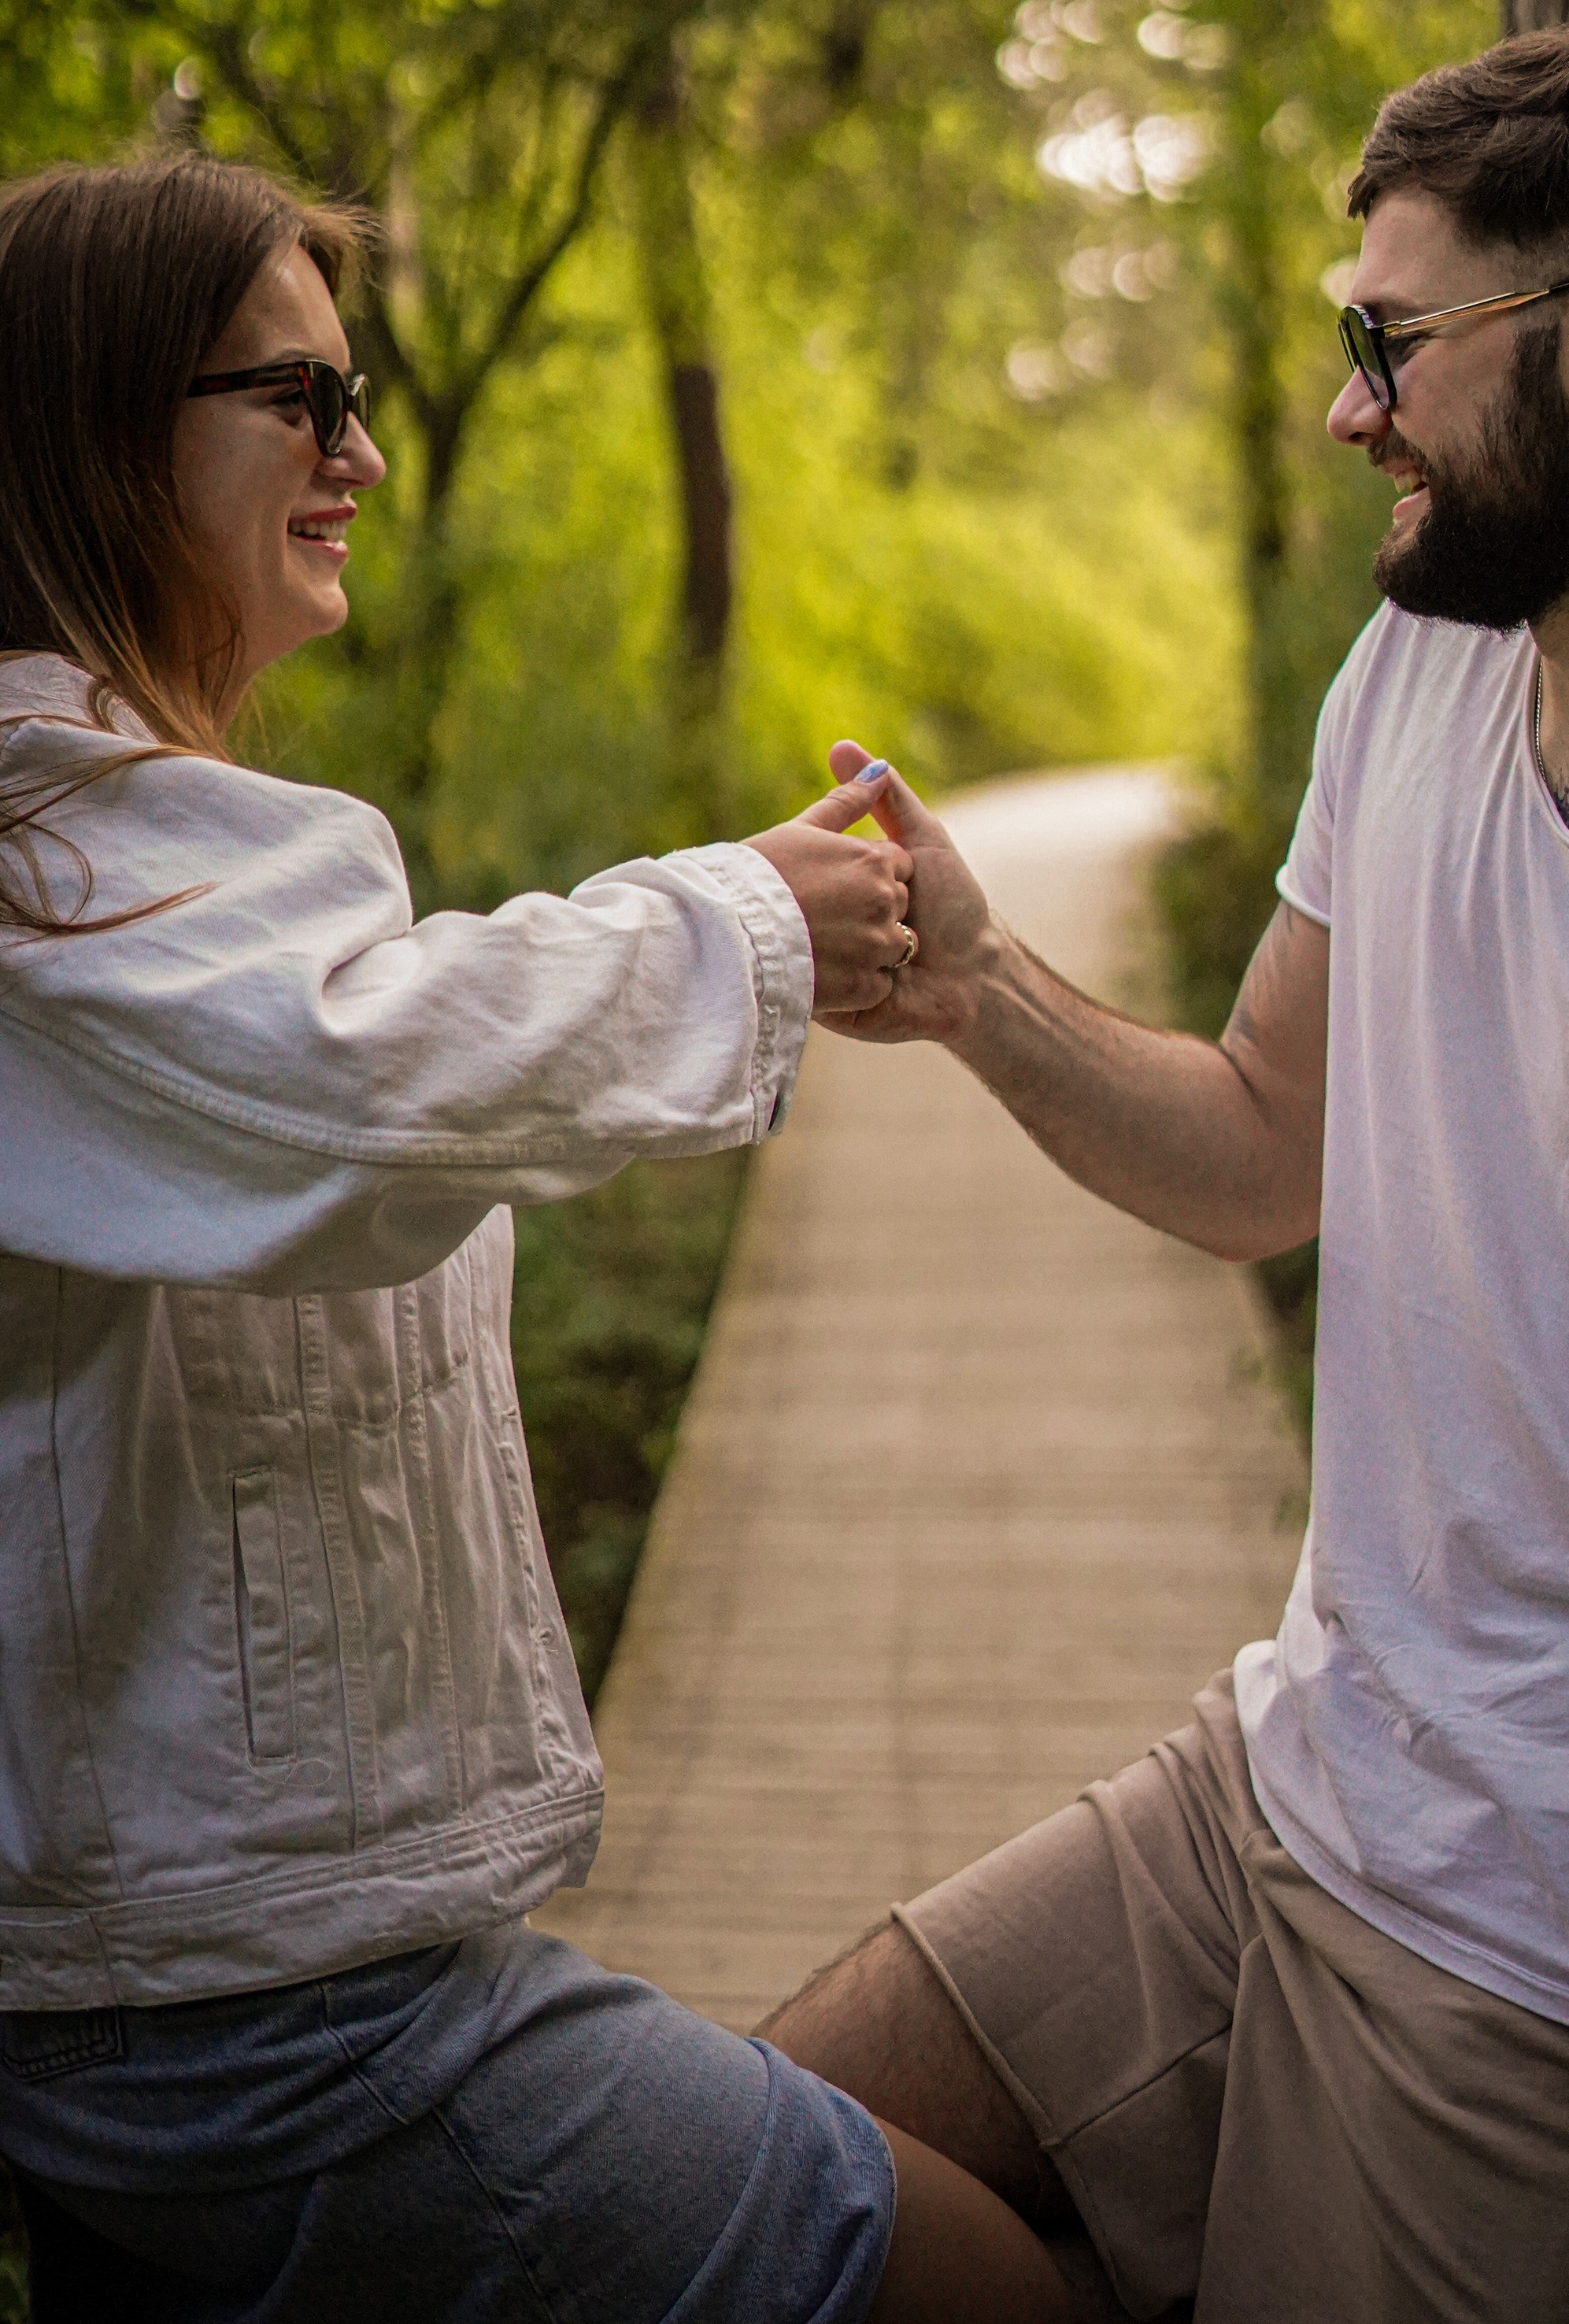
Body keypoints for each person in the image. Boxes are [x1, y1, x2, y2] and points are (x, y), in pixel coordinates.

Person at [766, 7, 1569, 2323]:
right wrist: (978, 986)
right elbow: (1262, 1148)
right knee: (753, 2192)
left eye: (1390, 342)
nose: (1351, 411)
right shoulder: (1423, 677)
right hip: (1288, 1784)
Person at [0, 157, 1069, 2324]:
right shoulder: (47, 864)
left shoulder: (122, 834)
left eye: (361, 389)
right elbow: (365, 1071)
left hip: (258, 1951)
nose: (362, 454)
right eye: (301, 399)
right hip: (244, 2013)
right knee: (984, 2288)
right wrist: (751, 914)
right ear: (109, 428)